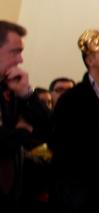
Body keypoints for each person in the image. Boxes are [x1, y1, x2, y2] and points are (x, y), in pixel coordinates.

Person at [50, 48, 99, 212]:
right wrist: (98, 136)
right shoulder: (71, 98)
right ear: (90, 60)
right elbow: (60, 142)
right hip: (87, 183)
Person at [0, 21, 50, 213]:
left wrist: (27, 93)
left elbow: (48, 130)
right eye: (15, 51)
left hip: (11, 193)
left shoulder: (12, 87)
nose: (20, 60)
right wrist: (23, 131)